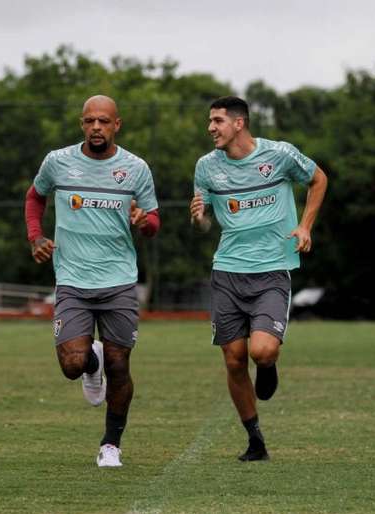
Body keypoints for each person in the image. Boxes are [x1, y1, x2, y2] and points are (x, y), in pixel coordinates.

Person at [24, 95, 160, 468]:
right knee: (72, 364)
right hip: (72, 279)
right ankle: (89, 362)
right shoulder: (58, 162)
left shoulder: (136, 168)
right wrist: (36, 237)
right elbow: (35, 197)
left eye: (103, 121)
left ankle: (111, 445)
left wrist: (142, 221)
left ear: (117, 124)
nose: (95, 127)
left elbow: (153, 223)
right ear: (82, 124)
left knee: (119, 364)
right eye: (89, 121)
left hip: (118, 280)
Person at [190, 96, 327, 461]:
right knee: (234, 360)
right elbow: (204, 223)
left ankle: (269, 364)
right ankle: (255, 439)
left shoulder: (279, 155)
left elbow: (318, 179)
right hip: (227, 272)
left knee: (261, 351)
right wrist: (200, 218)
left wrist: (305, 225)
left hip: (271, 271)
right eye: (210, 121)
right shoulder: (206, 167)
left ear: (239, 123)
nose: (211, 128)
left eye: (217, 120)